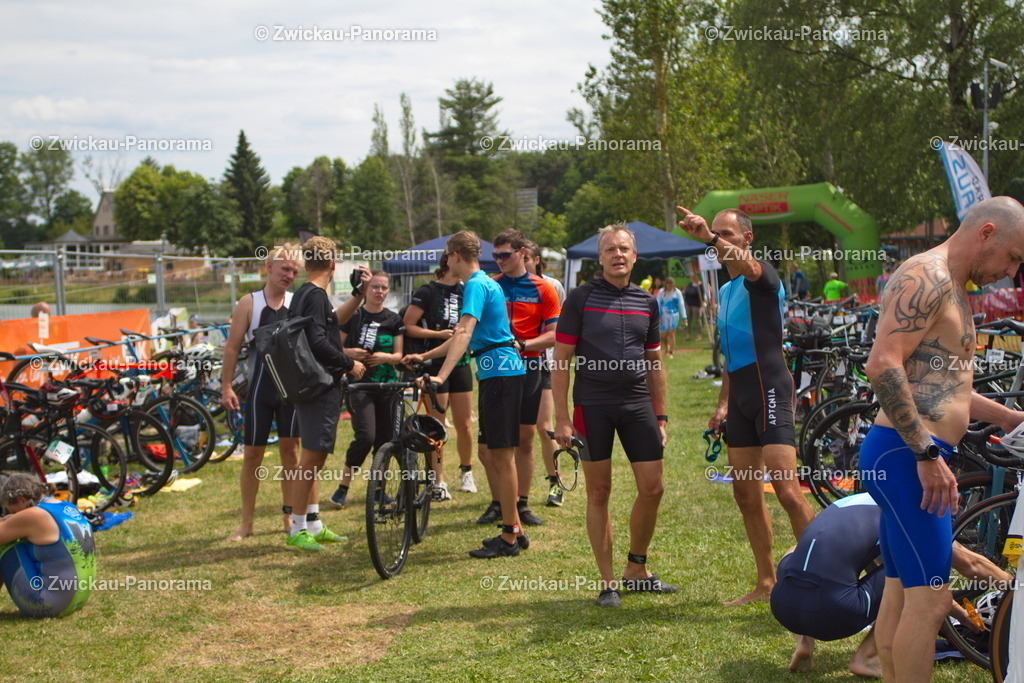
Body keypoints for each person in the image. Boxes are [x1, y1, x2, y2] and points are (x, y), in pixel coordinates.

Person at [861, 196, 1024, 681]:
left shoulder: (951, 285)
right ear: (987, 233)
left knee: (901, 590)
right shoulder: (926, 276)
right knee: (932, 602)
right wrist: (927, 453)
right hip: (907, 458)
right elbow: (882, 364)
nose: (1011, 273)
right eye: (1013, 257)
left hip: (906, 456)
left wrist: (1009, 418)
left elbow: (946, 386)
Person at [678, 205, 814, 606]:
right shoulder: (724, 290)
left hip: (771, 388)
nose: (720, 242)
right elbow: (733, 354)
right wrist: (723, 403)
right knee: (745, 494)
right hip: (740, 396)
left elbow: (752, 270)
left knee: (787, 491)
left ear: (747, 239)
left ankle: (824, 573)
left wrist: (707, 236)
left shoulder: (763, 278)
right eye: (716, 235)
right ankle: (767, 581)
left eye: (728, 235)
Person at [552, 223, 675, 608]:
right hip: (593, 405)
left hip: (638, 402)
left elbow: (655, 362)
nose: (618, 255)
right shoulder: (580, 299)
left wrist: (661, 416)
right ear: (599, 257)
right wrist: (562, 418)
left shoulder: (647, 302)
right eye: (610, 250)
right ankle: (608, 583)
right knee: (599, 492)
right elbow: (560, 362)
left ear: (635, 256)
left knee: (653, 487)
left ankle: (636, 568)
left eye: (624, 248)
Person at [772, 492, 1017, 677]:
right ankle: (866, 658)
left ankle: (804, 641)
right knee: (906, 572)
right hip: (834, 611)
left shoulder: (859, 500)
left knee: (798, 557)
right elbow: (972, 566)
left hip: (783, 603)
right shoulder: (909, 513)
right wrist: (1017, 587)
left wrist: (962, 616)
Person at [403, 230, 527, 558]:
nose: (446, 262)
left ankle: (510, 536)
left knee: (501, 456)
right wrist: (426, 357)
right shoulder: (486, 282)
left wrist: (441, 375)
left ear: (457, 255)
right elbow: (463, 336)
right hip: (496, 372)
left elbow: (463, 332)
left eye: (447, 255)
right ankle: (515, 526)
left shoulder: (474, 284)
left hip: (501, 373)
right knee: (489, 453)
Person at [471, 228, 560, 528]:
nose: (498, 260)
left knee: (524, 439)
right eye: (494, 256)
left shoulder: (543, 288)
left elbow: (554, 335)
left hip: (530, 368)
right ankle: (499, 502)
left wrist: (524, 345)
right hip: (494, 370)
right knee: (488, 447)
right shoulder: (489, 284)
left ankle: (520, 503)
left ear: (522, 253)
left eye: (504, 255)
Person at [283, 235, 366, 552]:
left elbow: (332, 321)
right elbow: (319, 341)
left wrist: (357, 295)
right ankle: (297, 529)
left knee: (314, 457)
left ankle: (313, 523)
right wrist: (349, 363)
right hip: (319, 386)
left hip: (309, 385)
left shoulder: (306, 293)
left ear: (306, 263)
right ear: (333, 264)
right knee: (311, 457)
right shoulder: (315, 296)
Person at [222, 247, 303, 540]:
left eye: (294, 271)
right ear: (268, 267)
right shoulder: (250, 302)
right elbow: (232, 347)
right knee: (252, 455)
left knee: (290, 453)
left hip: (289, 391)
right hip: (259, 389)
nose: (290, 276)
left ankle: (289, 515)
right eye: (285, 269)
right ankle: (246, 522)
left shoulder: (297, 302)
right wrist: (227, 386)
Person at [329, 270, 408, 507]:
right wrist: (350, 354)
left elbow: (399, 355)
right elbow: (333, 348)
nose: (380, 292)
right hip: (359, 386)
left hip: (387, 386)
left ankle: (378, 489)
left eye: (384, 287)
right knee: (365, 436)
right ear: (366, 289)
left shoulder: (394, 320)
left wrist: (386, 358)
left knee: (384, 440)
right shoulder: (353, 316)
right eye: (375, 287)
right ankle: (343, 487)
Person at [402, 256, 477, 495]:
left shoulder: (467, 290)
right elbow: (408, 325)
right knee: (437, 425)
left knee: (465, 425)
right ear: (448, 263)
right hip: (434, 363)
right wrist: (439, 335)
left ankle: (467, 472)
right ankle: (438, 480)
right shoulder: (428, 291)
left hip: (462, 363)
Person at [0, 474, 96, 618]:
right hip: (77, 599)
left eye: (13, 511)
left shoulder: (34, 515)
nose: (12, 515)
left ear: (21, 500)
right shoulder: (67, 506)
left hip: (47, 604)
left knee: (4, 544)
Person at [523, 241, 567, 507]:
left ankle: (556, 482)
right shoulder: (506, 286)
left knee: (545, 427)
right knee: (520, 432)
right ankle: (515, 494)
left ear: (537, 259)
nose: (523, 262)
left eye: (527, 258)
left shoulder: (552, 286)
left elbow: (561, 329)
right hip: (513, 367)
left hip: (546, 364)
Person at [656, 277, 685, 358]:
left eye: (671, 285)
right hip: (663, 315)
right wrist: (657, 315)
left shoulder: (677, 292)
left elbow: (681, 304)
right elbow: (658, 303)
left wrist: (684, 316)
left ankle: (671, 352)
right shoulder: (661, 292)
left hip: (674, 315)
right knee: (664, 335)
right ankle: (666, 347)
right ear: (666, 284)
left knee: (671, 333)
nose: (670, 287)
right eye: (668, 285)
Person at [683, 275, 704, 342]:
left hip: (696, 305)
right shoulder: (690, 284)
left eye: (693, 277)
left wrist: (702, 306)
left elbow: (702, 296)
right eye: (691, 277)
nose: (692, 278)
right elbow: (686, 293)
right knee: (688, 320)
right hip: (688, 304)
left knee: (697, 320)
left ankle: (699, 335)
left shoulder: (700, 285)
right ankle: (688, 334)